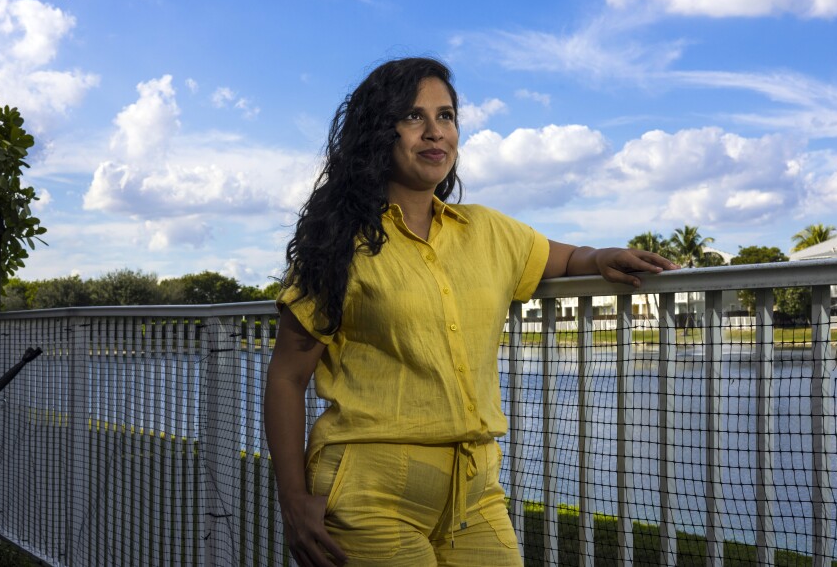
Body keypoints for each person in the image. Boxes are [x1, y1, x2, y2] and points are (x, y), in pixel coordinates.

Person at [263, 57, 677, 567]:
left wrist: (601, 258)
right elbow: (286, 377)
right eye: (414, 117)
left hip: (477, 492)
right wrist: (292, 500)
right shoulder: (337, 246)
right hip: (369, 491)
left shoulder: (487, 231)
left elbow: (564, 257)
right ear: (377, 133)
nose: (436, 132)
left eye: (447, 116)